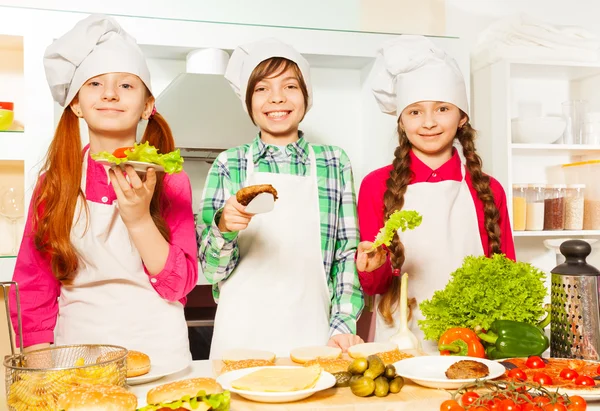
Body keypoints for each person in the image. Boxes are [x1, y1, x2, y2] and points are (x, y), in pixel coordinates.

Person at [9, 14, 197, 368]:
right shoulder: (55, 183)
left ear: (147, 106)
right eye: (95, 84)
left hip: (161, 359)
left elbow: (178, 287)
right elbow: (34, 288)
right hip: (76, 362)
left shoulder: (171, 182)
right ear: (76, 104)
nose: (110, 93)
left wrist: (139, 220)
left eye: (126, 85)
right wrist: (39, 373)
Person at [197, 38, 364, 359]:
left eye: (289, 86)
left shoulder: (333, 162)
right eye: (261, 89)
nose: (277, 98)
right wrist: (224, 229)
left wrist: (343, 326)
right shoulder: (228, 163)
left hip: (313, 334)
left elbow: (346, 255)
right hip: (239, 338)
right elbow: (211, 270)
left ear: (306, 95)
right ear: (248, 102)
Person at [355, 35, 516, 353]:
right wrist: (371, 265)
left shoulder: (488, 190)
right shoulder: (375, 185)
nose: (428, 122)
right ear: (401, 121)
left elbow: (506, 277)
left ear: (462, 117)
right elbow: (374, 287)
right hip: (398, 340)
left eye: (442, 108)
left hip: (472, 340)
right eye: (415, 112)